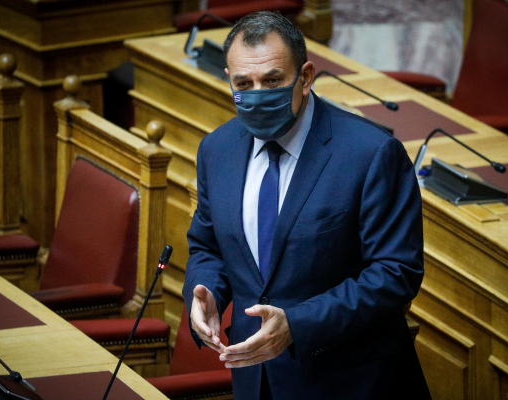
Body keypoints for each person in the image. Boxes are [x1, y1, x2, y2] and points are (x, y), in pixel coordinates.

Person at [182, 11, 431, 399]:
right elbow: (208, 247)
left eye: (272, 81)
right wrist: (206, 292)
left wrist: (297, 324)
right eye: (244, 84)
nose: (258, 94)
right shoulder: (217, 149)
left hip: (351, 385)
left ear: (306, 76)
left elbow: (396, 272)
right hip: (256, 380)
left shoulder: (370, 154)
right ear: (229, 80)